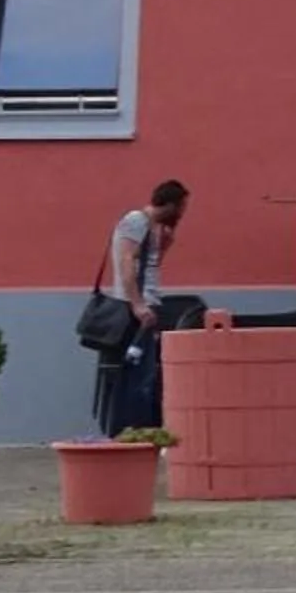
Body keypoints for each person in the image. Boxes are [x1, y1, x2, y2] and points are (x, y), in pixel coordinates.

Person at [98, 180, 191, 433]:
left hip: (146, 305)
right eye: (181, 207)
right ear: (170, 204)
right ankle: (129, 428)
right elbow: (127, 262)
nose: (182, 213)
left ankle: (138, 427)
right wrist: (138, 305)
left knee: (146, 371)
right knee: (138, 373)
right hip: (135, 309)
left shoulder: (152, 227)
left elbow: (149, 267)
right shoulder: (136, 221)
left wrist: (165, 246)